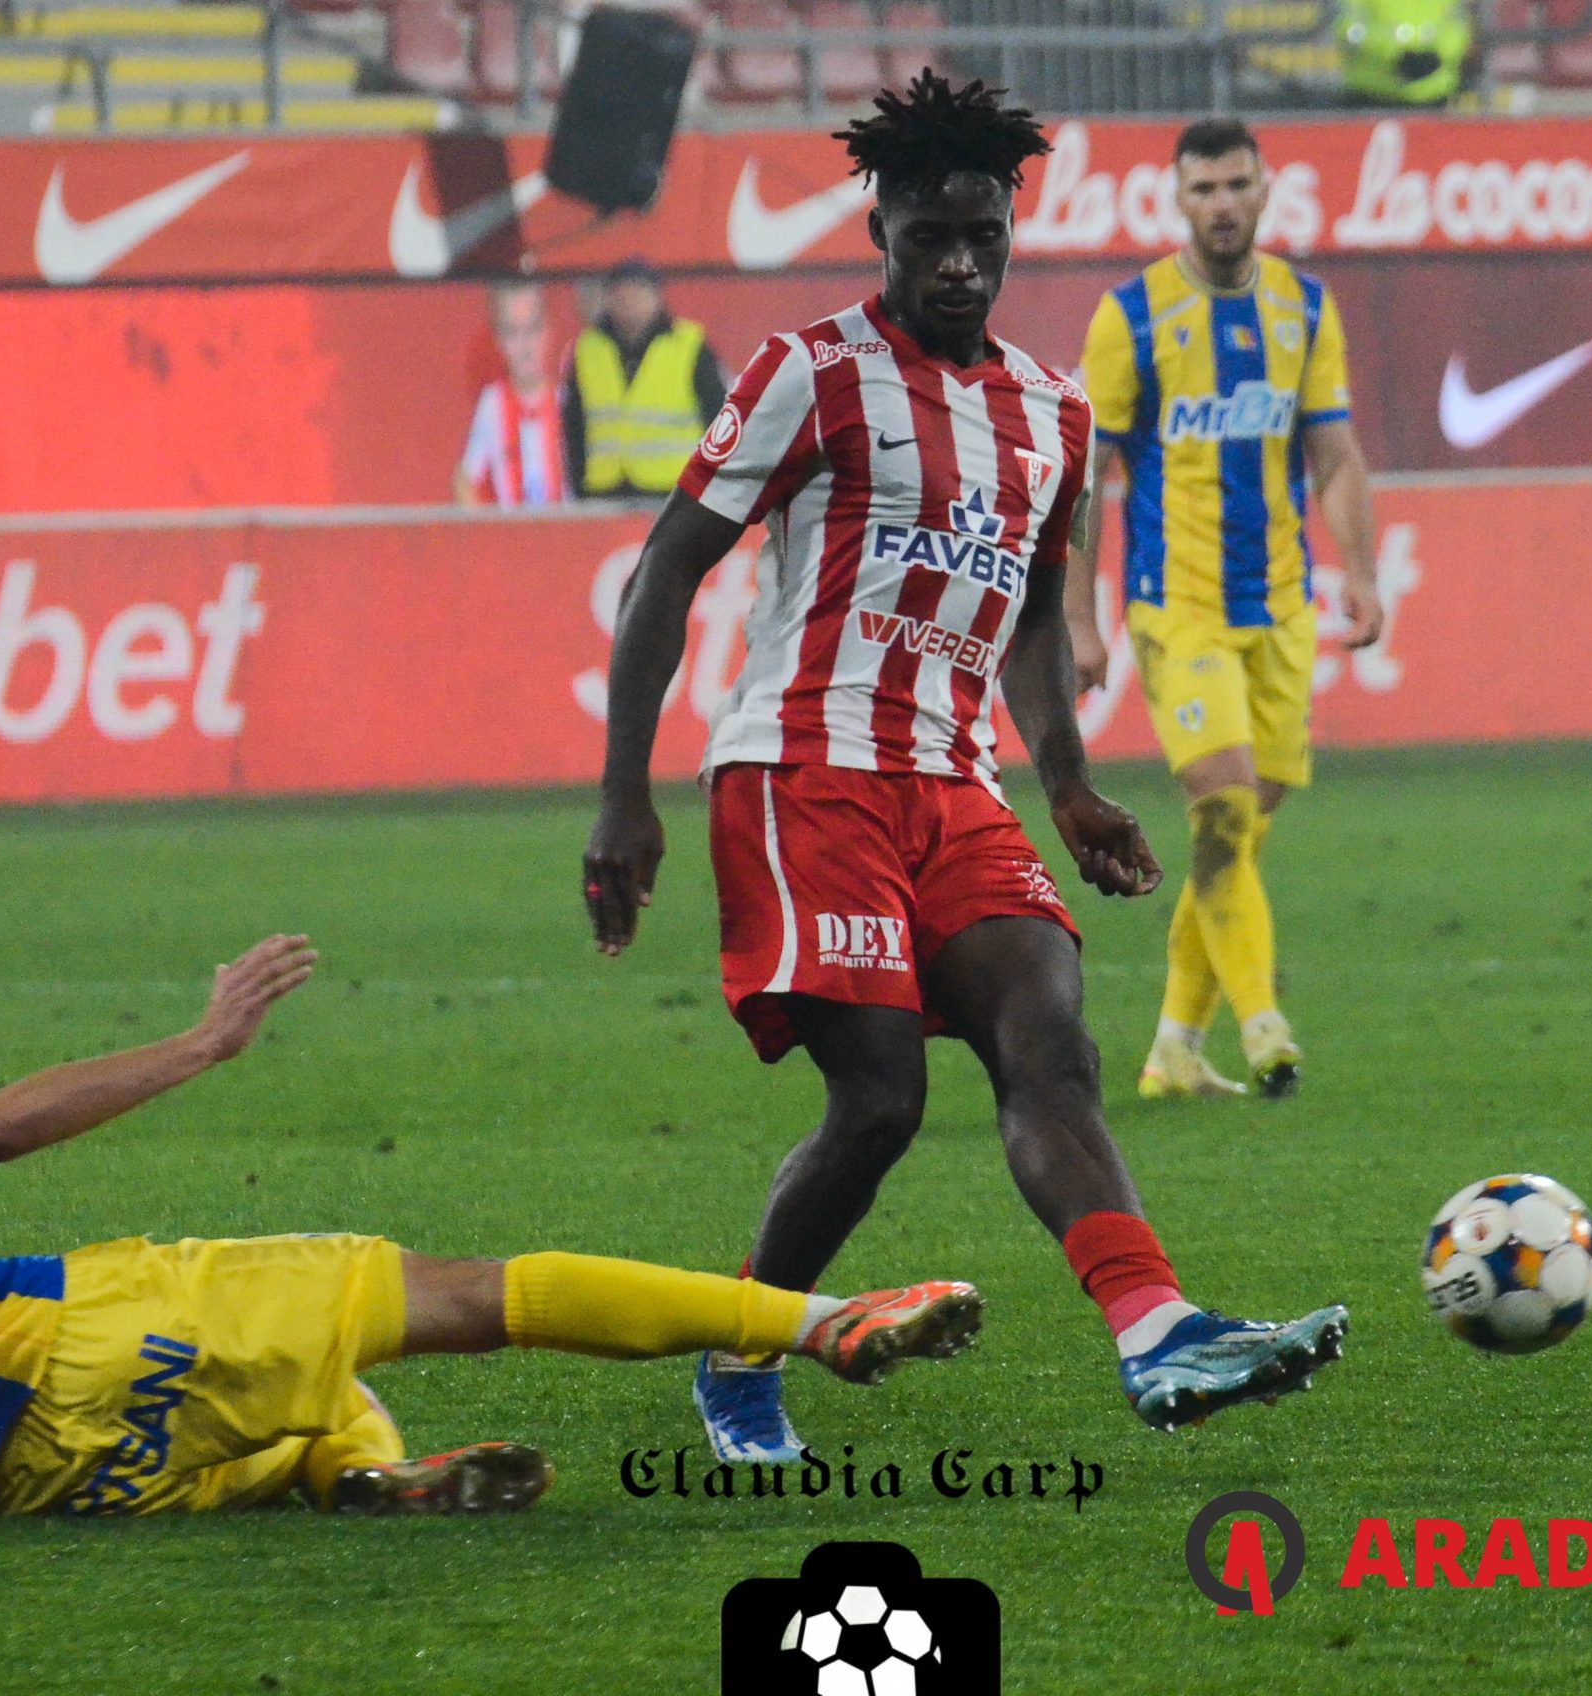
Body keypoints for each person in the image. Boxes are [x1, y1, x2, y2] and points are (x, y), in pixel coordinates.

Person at [581, 73, 1348, 1467]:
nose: (956, 263)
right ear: (879, 229)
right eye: (927, 235)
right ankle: (742, 1353)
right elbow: (665, 571)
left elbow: (1037, 613)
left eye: (980, 237)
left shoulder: (1051, 412)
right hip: (802, 768)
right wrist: (623, 792)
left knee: (1050, 1038)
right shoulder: (809, 373)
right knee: (880, 1100)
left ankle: (1156, 1329)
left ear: (1009, 233)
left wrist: (1067, 782)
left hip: (953, 781)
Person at [0, 936, 981, 1517]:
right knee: (459, 1292)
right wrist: (199, 1045)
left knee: (304, 1415)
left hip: (40, 1491)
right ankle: (820, 1321)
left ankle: (363, 1479)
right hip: (76, 1340)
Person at [1069, 117, 1386, 1104]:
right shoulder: (1131, 317)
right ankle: (1264, 1025)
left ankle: (1174, 1046)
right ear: (1177, 198)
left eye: (1235, 185)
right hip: (1179, 608)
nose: (1221, 204)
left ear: (1263, 189)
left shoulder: (1304, 307)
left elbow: (1333, 453)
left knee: (1237, 837)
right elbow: (1085, 481)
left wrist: (1361, 571)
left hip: (1281, 608)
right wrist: (1080, 619)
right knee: (1220, 807)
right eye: (1202, 188)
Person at [561, 257, 728, 499]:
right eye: (621, 295)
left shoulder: (688, 344)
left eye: (638, 293)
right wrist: (579, 486)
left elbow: (718, 417)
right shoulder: (588, 348)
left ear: (657, 297)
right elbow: (574, 425)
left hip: (673, 490)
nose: (630, 302)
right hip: (604, 491)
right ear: (608, 299)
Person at [456, 280, 569, 507]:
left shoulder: (565, 400)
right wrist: (483, 526)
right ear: (499, 340)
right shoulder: (493, 403)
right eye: (512, 333)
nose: (525, 346)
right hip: (514, 525)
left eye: (532, 330)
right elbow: (464, 479)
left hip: (564, 525)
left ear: (546, 332)